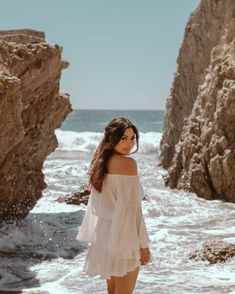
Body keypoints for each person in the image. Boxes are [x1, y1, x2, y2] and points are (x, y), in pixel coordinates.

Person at [76, 117, 151, 294]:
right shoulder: (128, 164)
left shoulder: (99, 163)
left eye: (132, 138)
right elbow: (132, 209)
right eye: (123, 138)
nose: (129, 144)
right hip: (125, 236)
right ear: (112, 138)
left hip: (105, 235)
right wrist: (143, 244)